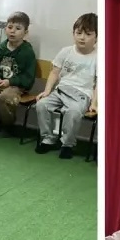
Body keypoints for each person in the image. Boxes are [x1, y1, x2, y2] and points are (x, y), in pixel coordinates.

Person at [34, 12, 98, 159]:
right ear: (73, 34)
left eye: (88, 34)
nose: (82, 37)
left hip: (81, 95)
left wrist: (94, 103)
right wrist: (47, 91)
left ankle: (67, 144)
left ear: (96, 37)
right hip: (61, 91)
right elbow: (54, 72)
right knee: (41, 105)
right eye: (78, 33)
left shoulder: (99, 57)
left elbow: (99, 83)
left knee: (73, 112)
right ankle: (48, 138)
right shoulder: (66, 51)